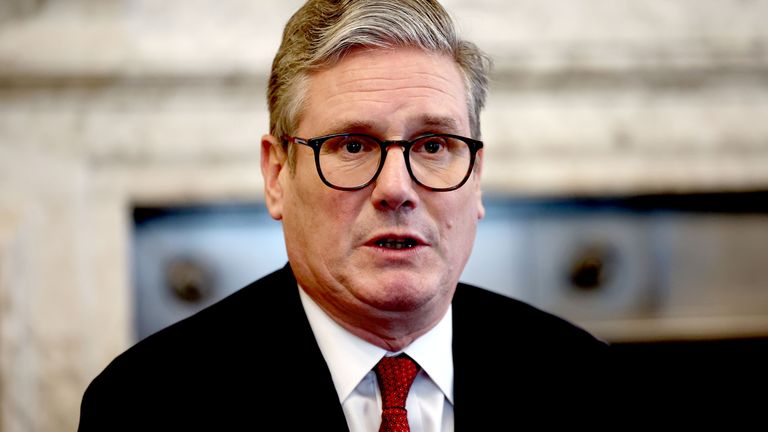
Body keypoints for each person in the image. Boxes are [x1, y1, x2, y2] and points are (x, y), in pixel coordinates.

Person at [78, 0, 608, 430]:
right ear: (276, 174)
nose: (397, 189)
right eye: (352, 146)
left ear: (477, 176)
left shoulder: (586, 383)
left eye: (433, 144)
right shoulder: (147, 406)